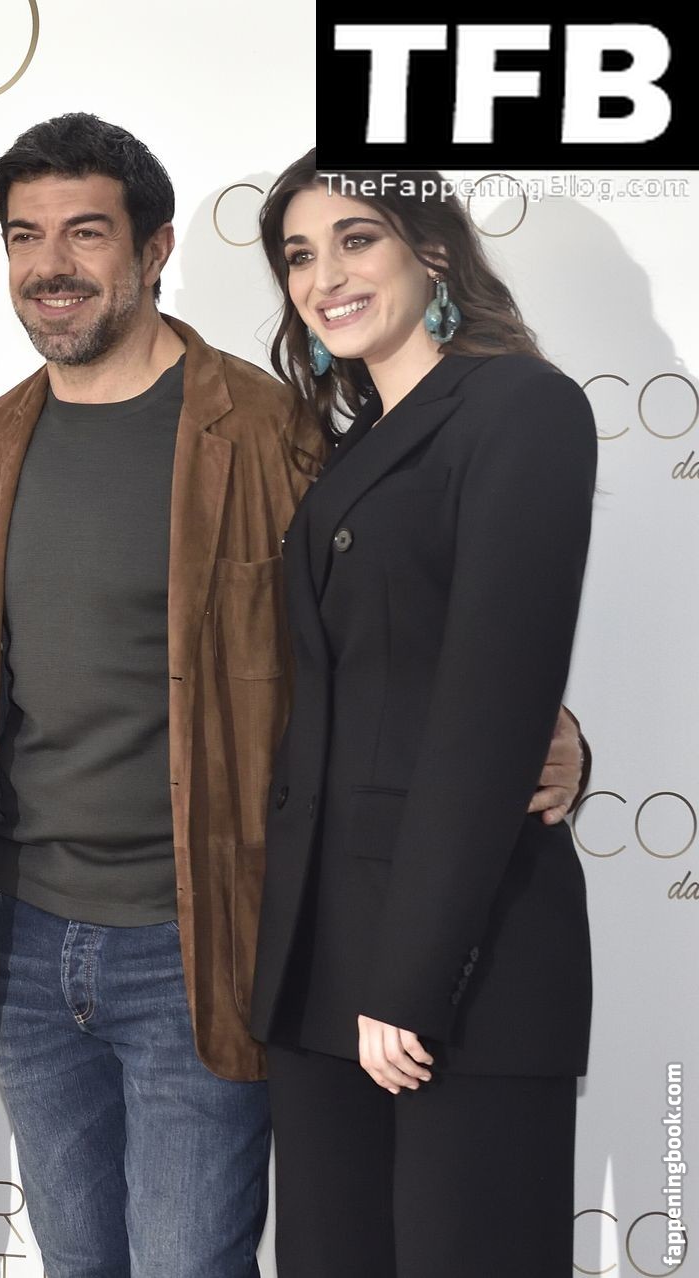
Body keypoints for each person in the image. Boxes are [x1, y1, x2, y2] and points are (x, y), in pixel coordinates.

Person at [0, 115, 587, 1278]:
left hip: (212, 938)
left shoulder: (282, 431)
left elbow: (447, 666)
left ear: (154, 249)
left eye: (86, 232)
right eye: (25, 236)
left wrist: (553, 736)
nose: (51, 263)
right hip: (68, 944)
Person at [247, 152, 597, 1277]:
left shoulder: (521, 406)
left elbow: (492, 700)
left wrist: (409, 981)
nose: (325, 277)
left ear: (431, 250)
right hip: (321, 968)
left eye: (356, 239)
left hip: (464, 969)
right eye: (300, 254)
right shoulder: (348, 449)